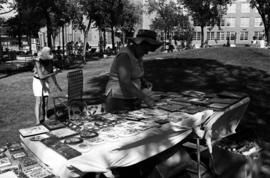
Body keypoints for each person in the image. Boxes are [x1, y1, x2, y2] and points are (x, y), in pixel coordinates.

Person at [104, 29, 162, 113]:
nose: (146, 53)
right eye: (145, 49)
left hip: (132, 98)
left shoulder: (137, 56)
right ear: (138, 45)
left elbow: (135, 74)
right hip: (118, 99)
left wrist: (143, 81)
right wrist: (145, 98)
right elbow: (125, 81)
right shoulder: (124, 55)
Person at [33, 47, 62, 125]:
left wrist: (56, 84)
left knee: (45, 101)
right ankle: (37, 121)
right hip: (37, 81)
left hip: (45, 81)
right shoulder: (37, 62)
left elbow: (51, 73)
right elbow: (41, 76)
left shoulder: (50, 61)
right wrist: (54, 73)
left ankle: (45, 117)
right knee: (38, 101)